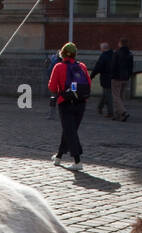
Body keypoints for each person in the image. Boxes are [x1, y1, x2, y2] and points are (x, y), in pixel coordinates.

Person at [47, 42, 90, 171]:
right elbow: (88, 83)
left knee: (70, 131)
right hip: (81, 103)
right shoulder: (82, 66)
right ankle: (59, 157)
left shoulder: (59, 66)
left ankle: (77, 161)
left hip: (65, 102)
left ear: (62, 54)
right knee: (69, 130)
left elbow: (52, 87)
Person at [112, 38, 134, 122]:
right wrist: (129, 75)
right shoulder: (130, 54)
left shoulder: (117, 53)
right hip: (126, 77)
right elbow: (131, 67)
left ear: (120, 43)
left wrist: (112, 75)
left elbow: (113, 65)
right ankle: (118, 115)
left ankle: (123, 112)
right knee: (120, 96)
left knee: (116, 96)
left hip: (117, 77)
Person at [90, 42, 114, 117]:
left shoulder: (104, 56)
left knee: (108, 95)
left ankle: (110, 112)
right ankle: (100, 107)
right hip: (113, 77)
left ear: (103, 49)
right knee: (106, 93)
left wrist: (91, 75)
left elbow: (98, 67)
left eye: (101, 48)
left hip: (106, 77)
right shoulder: (114, 55)